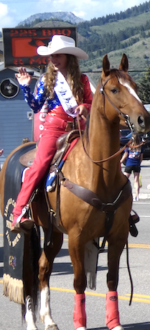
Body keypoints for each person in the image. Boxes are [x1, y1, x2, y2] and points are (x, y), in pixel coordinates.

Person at [12, 35, 93, 233]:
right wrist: (25, 87)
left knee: (102, 157)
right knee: (40, 166)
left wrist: (84, 106)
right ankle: (19, 212)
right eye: (52, 56)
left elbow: (91, 103)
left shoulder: (82, 79)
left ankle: (122, 208)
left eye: (58, 55)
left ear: (68, 57)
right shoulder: (47, 79)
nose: (54, 60)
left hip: (79, 129)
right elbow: (35, 105)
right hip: (54, 129)